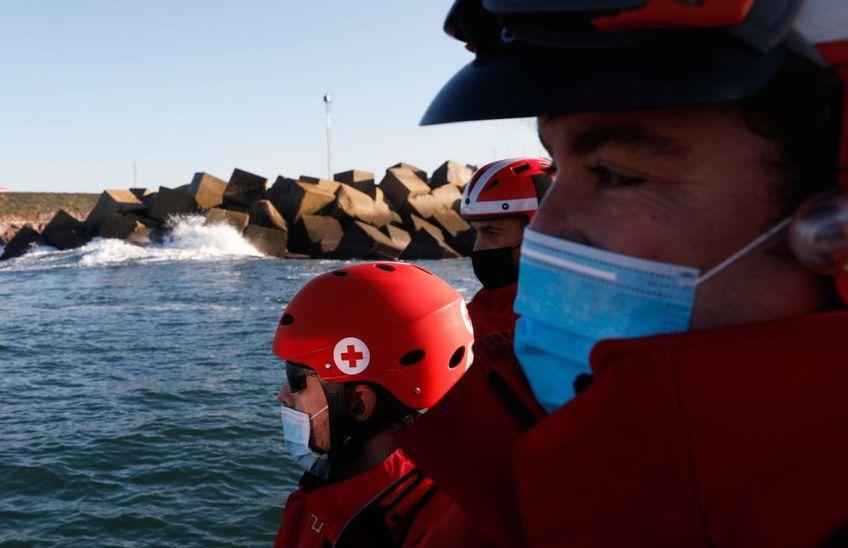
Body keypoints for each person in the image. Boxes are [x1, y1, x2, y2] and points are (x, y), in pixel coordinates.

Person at [389, 1, 848, 546]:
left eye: (614, 174)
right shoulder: (522, 490)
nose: (544, 232)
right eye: (558, 171)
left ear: (832, 229)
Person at [272, 261, 474, 547]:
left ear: (359, 403)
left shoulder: (437, 532)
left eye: (296, 382)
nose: (282, 395)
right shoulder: (333, 488)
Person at [460, 158, 553, 338]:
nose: (477, 248)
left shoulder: (559, 325)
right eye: (476, 233)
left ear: (541, 233)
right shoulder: (477, 311)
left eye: (491, 232)